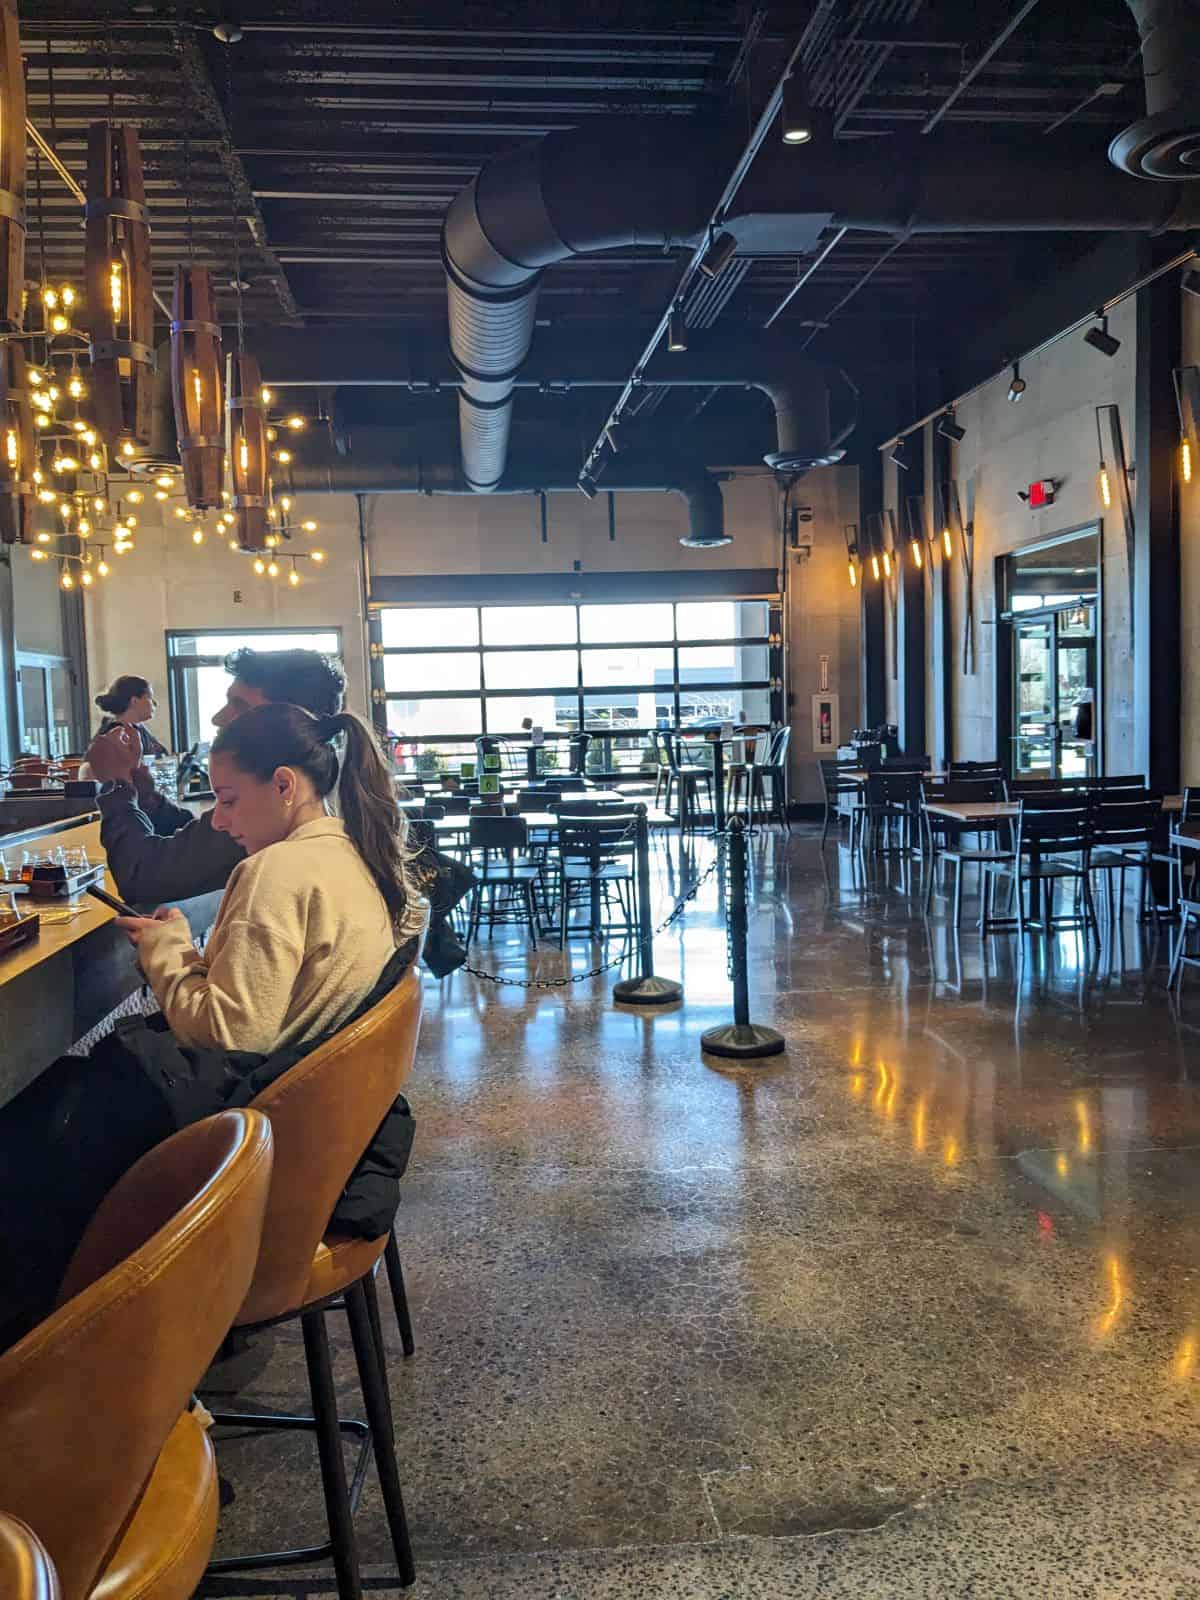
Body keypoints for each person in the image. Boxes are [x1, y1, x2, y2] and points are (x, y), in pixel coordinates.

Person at [0, 704, 424, 1344]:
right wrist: (191, 954)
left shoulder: (275, 873)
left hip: (239, 1138)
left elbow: (230, 1034)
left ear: (283, 785)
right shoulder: (354, 852)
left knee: (26, 1132)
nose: (218, 821)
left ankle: (50, 1357)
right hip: (310, 1140)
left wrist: (168, 952)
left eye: (227, 800)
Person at [85, 644, 472, 975]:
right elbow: (206, 839)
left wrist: (117, 787)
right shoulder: (334, 788)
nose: (219, 718)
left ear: (285, 719)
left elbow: (143, 876)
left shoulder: (279, 811)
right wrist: (149, 800)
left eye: (239, 705)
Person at [93, 675, 168, 759]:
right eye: (150, 697)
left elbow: (162, 755)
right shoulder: (117, 734)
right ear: (134, 701)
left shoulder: (138, 728)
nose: (155, 703)